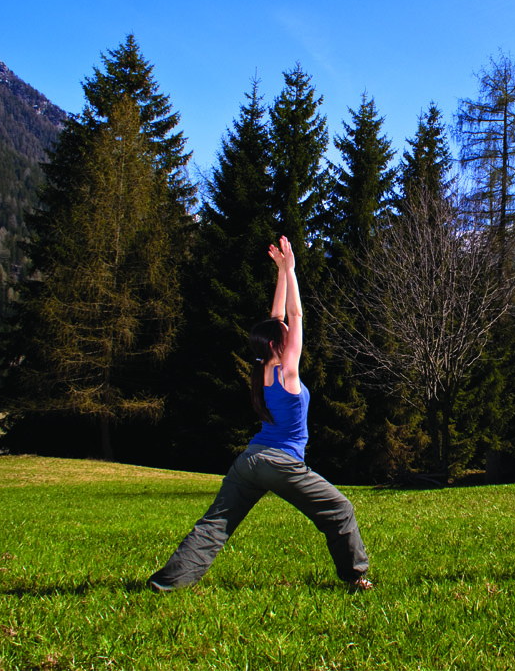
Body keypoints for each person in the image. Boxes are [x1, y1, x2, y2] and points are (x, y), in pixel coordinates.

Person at [149, 236, 372, 592]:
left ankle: (167, 582)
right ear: (277, 344)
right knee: (340, 510)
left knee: (215, 524)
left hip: (248, 461)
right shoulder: (287, 372)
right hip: (280, 463)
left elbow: (278, 318)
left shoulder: (262, 368)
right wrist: (293, 270)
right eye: (285, 334)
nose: (287, 330)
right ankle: (356, 577)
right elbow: (295, 315)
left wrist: (282, 272)